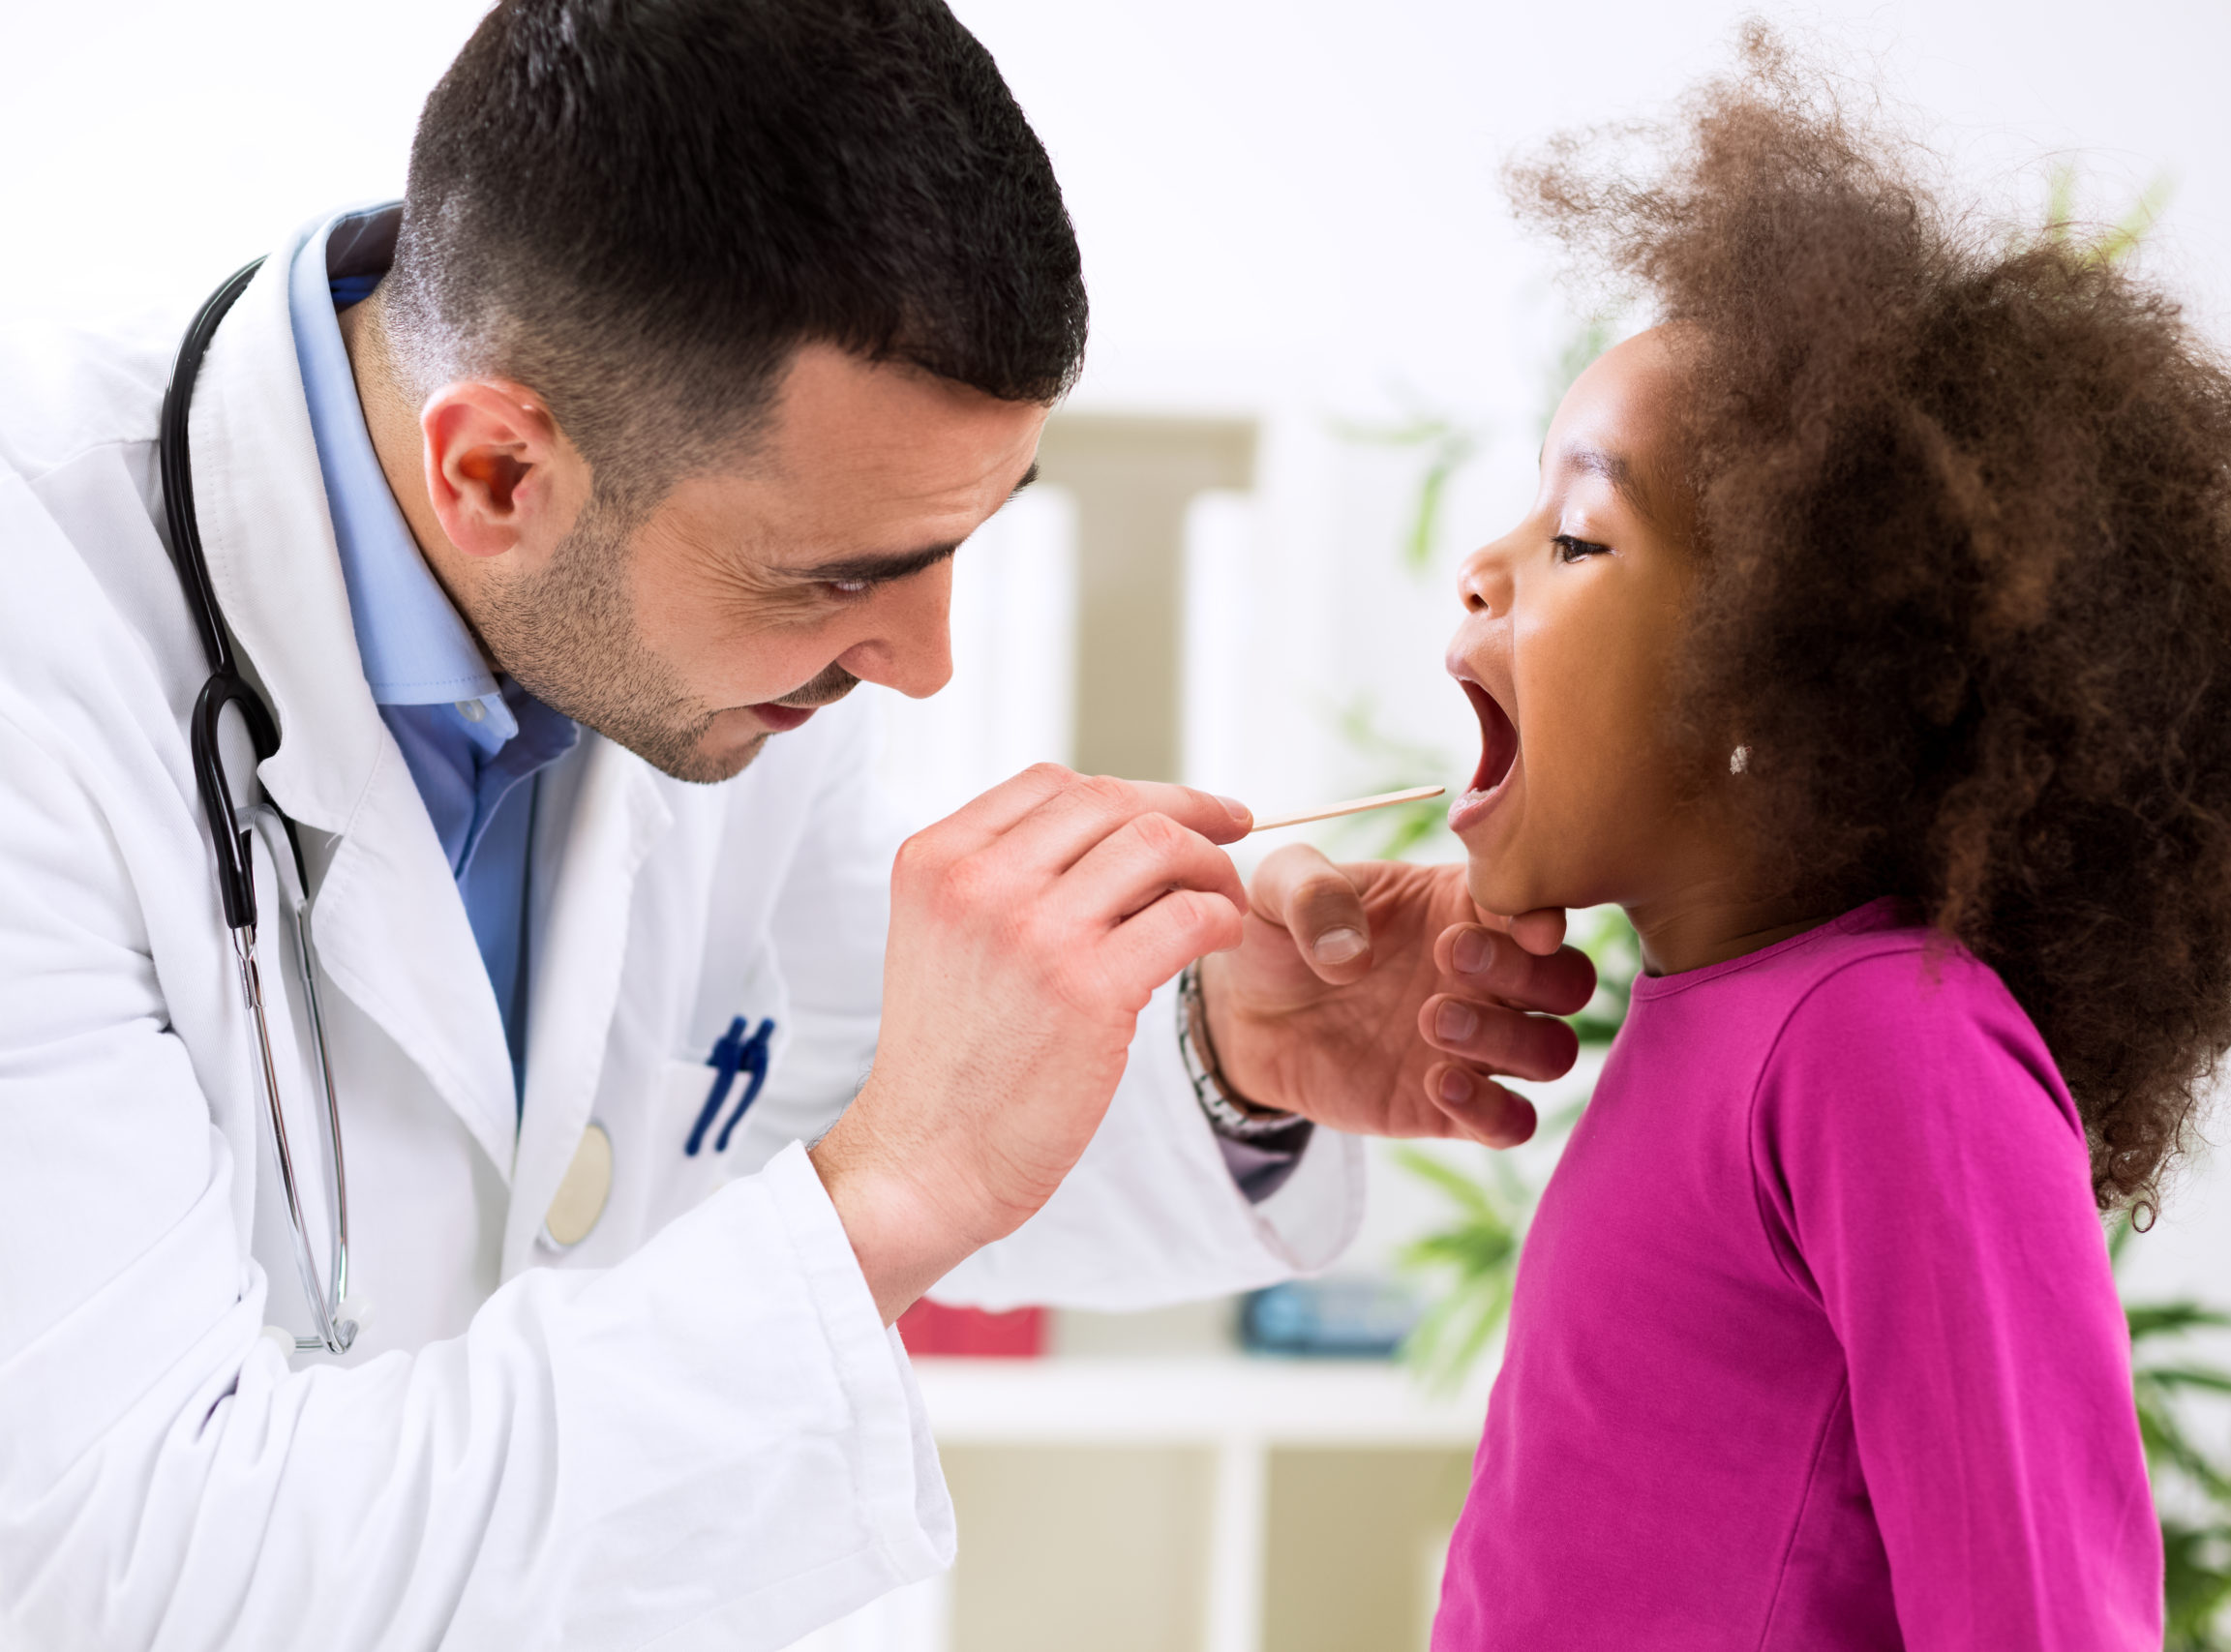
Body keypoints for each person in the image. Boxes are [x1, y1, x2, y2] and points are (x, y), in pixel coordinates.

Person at [0, 3, 1596, 1647]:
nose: (924, 664)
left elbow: (810, 1078)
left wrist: (1220, 1053)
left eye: (961, 542)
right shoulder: (40, 659)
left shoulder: (692, 651)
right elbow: (123, 1569)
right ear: (492, 474)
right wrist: (883, 1200)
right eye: (842, 578)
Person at [1425, 35, 2231, 1651]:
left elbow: (2039, 1614)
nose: (1484, 563)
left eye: (1579, 531)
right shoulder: (1708, 1021)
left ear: (1778, 659)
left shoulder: (1891, 1045)